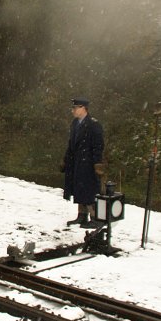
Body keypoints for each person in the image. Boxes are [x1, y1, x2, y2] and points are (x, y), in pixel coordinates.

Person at [61, 96, 105, 227]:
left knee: (89, 190)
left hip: (88, 163)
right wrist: (65, 159)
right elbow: (71, 144)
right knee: (78, 188)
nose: (73, 111)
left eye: (75, 108)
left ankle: (94, 218)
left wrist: (97, 163)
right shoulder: (75, 123)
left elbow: (98, 145)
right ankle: (82, 216)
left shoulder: (93, 124)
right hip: (76, 162)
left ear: (83, 108)